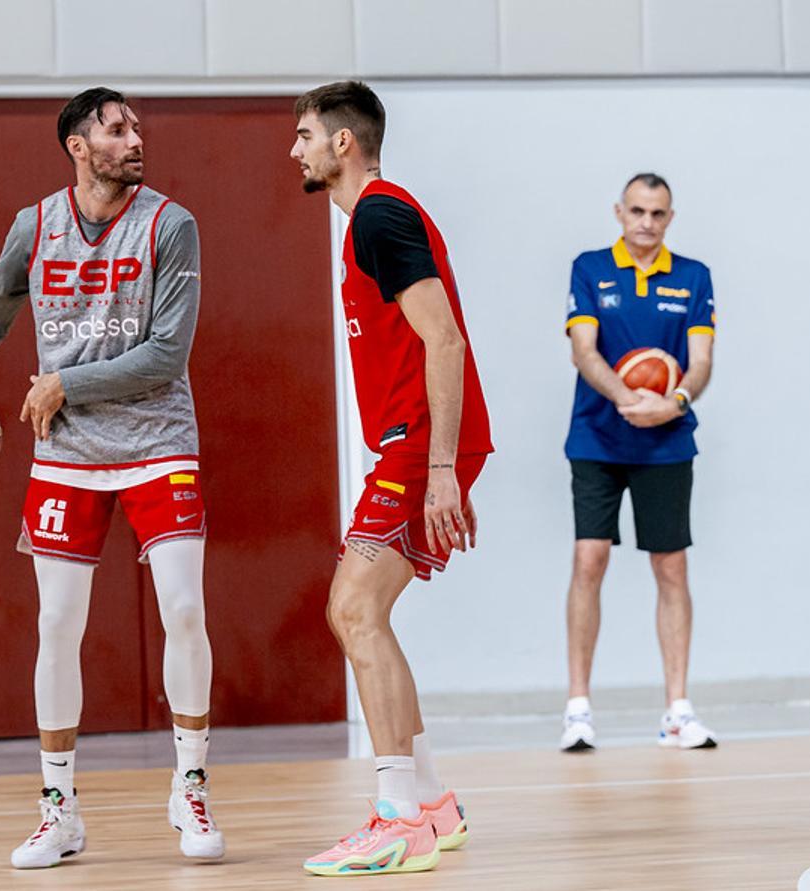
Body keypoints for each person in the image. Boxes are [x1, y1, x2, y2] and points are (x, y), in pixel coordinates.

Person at [0, 87, 224, 867]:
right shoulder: (34, 227)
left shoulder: (172, 224)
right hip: (68, 453)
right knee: (56, 626)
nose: (135, 137)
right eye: (116, 128)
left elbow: (168, 356)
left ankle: (193, 783)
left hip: (158, 442)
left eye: (135, 125)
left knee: (183, 608)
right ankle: (59, 807)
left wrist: (67, 383)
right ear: (79, 146)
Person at [289, 81, 493, 877]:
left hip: (421, 450)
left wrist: (441, 467)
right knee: (360, 615)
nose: (295, 148)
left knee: (352, 606)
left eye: (305, 133)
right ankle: (432, 802)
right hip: (411, 447)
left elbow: (443, 340)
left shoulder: (379, 213)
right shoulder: (367, 224)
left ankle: (397, 815)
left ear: (344, 143)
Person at [560, 173, 718, 752]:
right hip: (598, 439)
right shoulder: (590, 268)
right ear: (619, 212)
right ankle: (578, 708)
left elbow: (699, 362)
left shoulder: (693, 277)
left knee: (671, 568)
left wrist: (671, 403)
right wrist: (627, 399)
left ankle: (677, 710)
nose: (646, 223)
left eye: (657, 213)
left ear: (670, 218)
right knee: (589, 559)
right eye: (637, 211)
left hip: (666, 441)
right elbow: (583, 349)